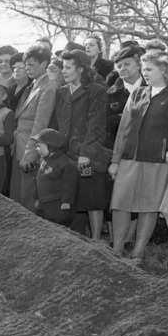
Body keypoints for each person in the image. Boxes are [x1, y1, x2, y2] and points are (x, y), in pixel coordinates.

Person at [109, 53, 168, 262]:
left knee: (149, 206)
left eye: (149, 69)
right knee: (119, 203)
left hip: (157, 160)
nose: (145, 73)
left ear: (163, 71)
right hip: (129, 157)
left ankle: (137, 253)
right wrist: (115, 161)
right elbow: (123, 129)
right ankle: (116, 250)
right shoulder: (137, 93)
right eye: (144, 69)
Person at [52, 49, 110, 240]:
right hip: (66, 155)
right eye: (63, 67)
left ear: (82, 69)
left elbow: (97, 126)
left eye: (68, 67)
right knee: (71, 198)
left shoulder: (96, 91)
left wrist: (85, 154)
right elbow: (57, 124)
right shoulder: (61, 92)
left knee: (91, 198)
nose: (64, 71)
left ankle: (96, 241)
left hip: (88, 157)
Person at [10, 45, 58, 211]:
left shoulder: (48, 87)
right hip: (19, 146)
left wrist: (30, 152)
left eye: (31, 64)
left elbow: (40, 123)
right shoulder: (33, 85)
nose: (27, 68)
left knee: (27, 198)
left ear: (44, 64)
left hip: (30, 150)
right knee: (17, 195)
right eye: (26, 64)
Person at [32, 128, 79, 226]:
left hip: (57, 206)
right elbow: (38, 180)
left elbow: (69, 185)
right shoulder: (43, 160)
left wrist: (66, 202)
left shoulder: (66, 164)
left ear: (51, 146)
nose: (36, 148)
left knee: (57, 229)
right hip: (43, 203)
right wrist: (37, 198)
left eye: (39, 146)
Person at [105, 43, 146, 148]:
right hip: (119, 150)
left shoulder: (152, 88)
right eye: (119, 66)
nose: (122, 68)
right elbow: (106, 124)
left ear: (138, 65)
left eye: (127, 64)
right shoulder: (110, 94)